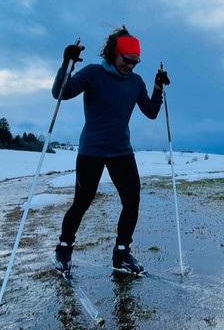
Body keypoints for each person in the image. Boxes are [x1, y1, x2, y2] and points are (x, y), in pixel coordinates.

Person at [51, 25, 170, 274]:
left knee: (132, 200)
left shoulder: (136, 82)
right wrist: (67, 62)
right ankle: (64, 248)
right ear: (113, 53)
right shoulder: (93, 73)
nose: (131, 66)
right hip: (91, 150)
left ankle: (122, 253)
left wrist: (158, 88)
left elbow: (151, 112)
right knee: (82, 202)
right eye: (127, 61)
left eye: (135, 62)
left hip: (121, 151)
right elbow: (60, 93)